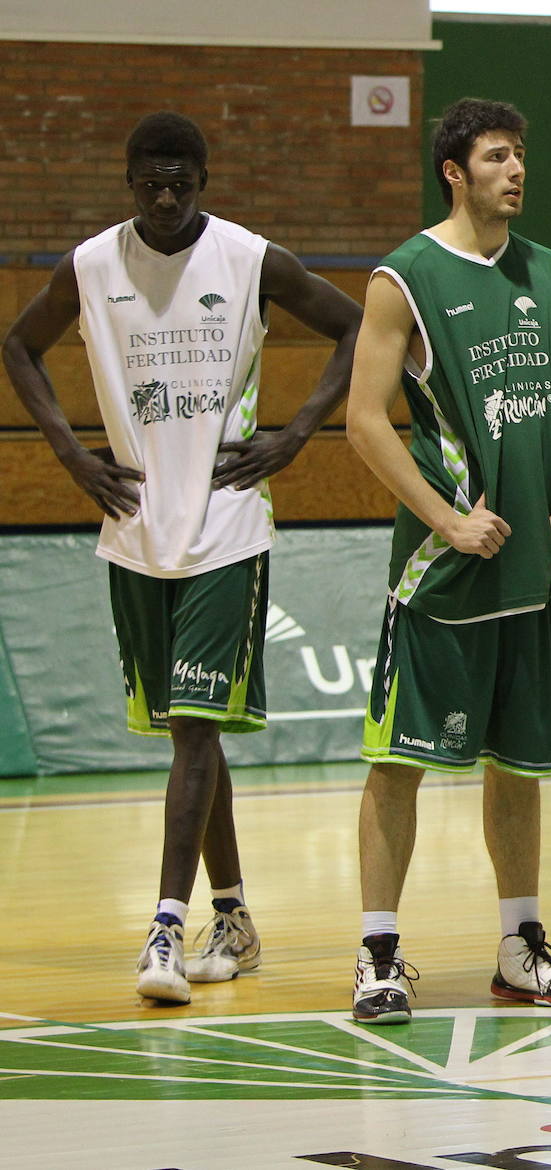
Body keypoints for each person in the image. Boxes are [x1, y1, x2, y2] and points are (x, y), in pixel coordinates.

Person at [1, 112, 362, 1004]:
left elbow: (359, 327)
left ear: (203, 180)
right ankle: (233, 914)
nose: (165, 198)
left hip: (227, 524)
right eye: (150, 183)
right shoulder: (90, 265)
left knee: (196, 731)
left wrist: (298, 433)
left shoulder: (249, 257)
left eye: (181, 182)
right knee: (188, 735)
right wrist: (73, 456)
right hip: (134, 528)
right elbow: (18, 346)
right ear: (129, 181)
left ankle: (164, 926)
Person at [345, 98, 551, 1024]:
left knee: (520, 764)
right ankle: (378, 952)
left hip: (534, 566)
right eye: (497, 156)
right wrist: (446, 520)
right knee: (397, 762)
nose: (515, 170)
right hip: (443, 570)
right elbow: (364, 422)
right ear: (455, 170)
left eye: (521, 155)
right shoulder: (401, 278)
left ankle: (520, 945)